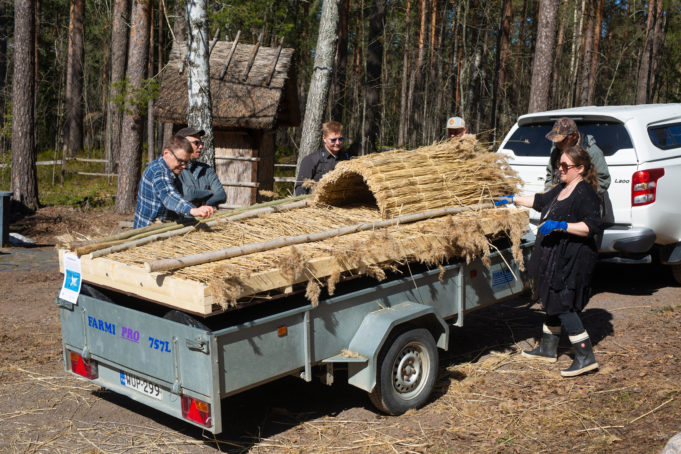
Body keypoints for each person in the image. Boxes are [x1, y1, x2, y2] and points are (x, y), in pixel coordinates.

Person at [498, 145, 603, 377]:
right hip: (553, 256)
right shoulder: (562, 188)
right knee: (550, 297)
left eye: (565, 166)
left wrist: (562, 225)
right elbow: (540, 200)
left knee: (563, 303)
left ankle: (585, 357)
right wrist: (512, 198)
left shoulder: (585, 193)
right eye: (559, 165)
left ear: (581, 168)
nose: (560, 169)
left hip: (571, 259)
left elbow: (591, 226)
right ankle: (547, 348)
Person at [133, 135, 215, 228]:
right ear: (166, 153)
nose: (184, 166)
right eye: (180, 161)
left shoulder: (171, 171)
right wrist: (192, 210)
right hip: (147, 232)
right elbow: (168, 195)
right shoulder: (158, 170)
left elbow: (178, 197)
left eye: (186, 162)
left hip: (162, 228)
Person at [544, 117, 610, 195]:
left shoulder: (592, 151)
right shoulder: (556, 149)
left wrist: (580, 196)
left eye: (562, 140)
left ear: (574, 136)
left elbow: (603, 180)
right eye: (556, 140)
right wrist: (548, 194)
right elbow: (550, 174)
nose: (558, 144)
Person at [175, 127, 226, 208]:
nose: (201, 146)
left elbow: (222, 195)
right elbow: (188, 194)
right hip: (179, 219)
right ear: (182, 144)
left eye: (201, 143)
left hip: (205, 218)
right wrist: (210, 192)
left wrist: (205, 205)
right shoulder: (174, 168)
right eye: (196, 143)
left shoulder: (207, 169)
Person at [294, 120, 350, 196]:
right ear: (324, 138)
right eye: (333, 140)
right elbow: (300, 188)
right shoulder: (311, 160)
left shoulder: (347, 158)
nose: (337, 143)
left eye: (340, 139)